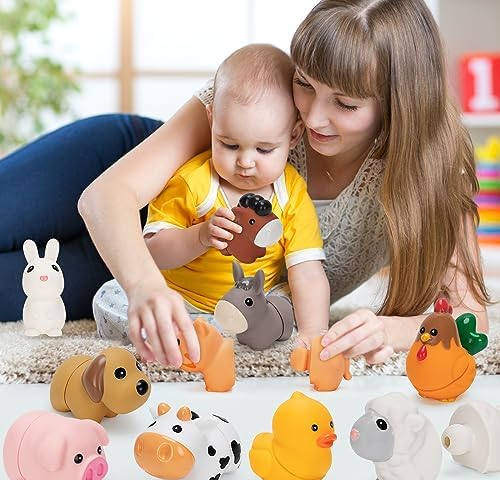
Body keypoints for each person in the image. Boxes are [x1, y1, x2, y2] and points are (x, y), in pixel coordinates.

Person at [2, 0, 490, 369]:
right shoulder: (261, 97)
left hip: (163, 279)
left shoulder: (429, 173)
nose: (311, 118)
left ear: (400, 104)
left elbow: (474, 324)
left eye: (345, 104)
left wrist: (389, 330)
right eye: (305, 83)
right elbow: (106, 197)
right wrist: (146, 285)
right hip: (127, 192)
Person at [92, 44, 330, 351]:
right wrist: (200, 236)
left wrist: (315, 335)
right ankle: (190, 333)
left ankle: (223, 333)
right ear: (212, 120)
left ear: (294, 135)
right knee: (108, 298)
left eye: (264, 149)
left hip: (253, 302)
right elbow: (153, 252)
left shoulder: (291, 193)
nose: (245, 162)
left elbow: (307, 271)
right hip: (181, 299)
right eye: (230, 145)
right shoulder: (193, 181)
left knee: (288, 304)